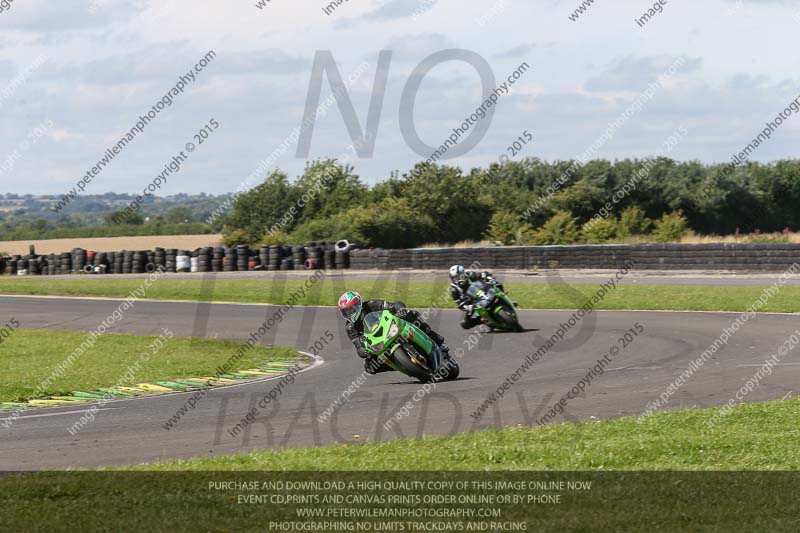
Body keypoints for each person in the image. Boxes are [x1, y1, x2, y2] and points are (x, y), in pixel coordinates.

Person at [338, 291, 450, 374]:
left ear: (358, 305)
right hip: (378, 342)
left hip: (390, 327)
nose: (349, 313)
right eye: (346, 311)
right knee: (369, 367)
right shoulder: (350, 327)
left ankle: (438, 342)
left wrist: (399, 309)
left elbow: (393, 306)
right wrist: (362, 350)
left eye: (351, 309)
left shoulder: (372, 305)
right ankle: (401, 364)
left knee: (412, 316)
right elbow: (358, 344)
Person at [448, 264, 507, 330]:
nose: (456, 279)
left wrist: (488, 277)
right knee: (464, 323)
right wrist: (467, 307)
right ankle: (482, 320)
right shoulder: (454, 289)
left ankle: (504, 297)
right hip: (472, 302)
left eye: (458, 276)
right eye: (454, 278)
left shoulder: (470, 274)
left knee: (498, 284)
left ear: (463, 274)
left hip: (483, 291)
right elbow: (459, 302)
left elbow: (482, 275)